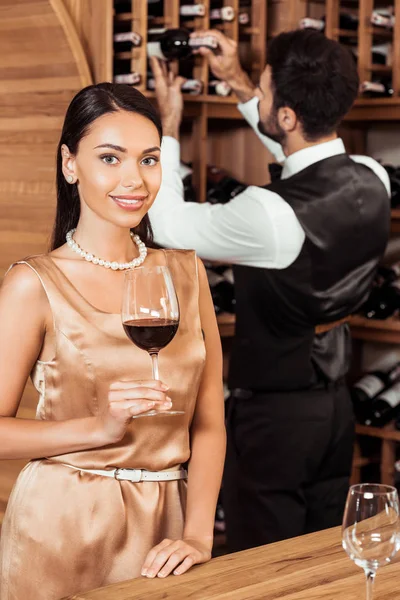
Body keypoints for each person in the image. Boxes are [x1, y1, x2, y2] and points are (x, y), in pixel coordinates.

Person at [148, 29, 391, 552]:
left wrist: (168, 126)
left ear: (285, 116)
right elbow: (303, 157)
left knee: (261, 564)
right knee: (324, 558)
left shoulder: (267, 214)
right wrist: (236, 80)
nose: (259, 93)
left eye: (264, 88)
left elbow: (166, 223)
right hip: (335, 411)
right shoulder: (372, 177)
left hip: (275, 422)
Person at [0, 83, 226, 600]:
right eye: (110, 158)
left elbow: (210, 424)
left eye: (149, 160)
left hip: (167, 529)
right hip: (62, 529)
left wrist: (196, 534)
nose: (134, 179)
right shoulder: (32, 284)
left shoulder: (186, 273)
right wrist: (98, 428)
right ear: (70, 163)